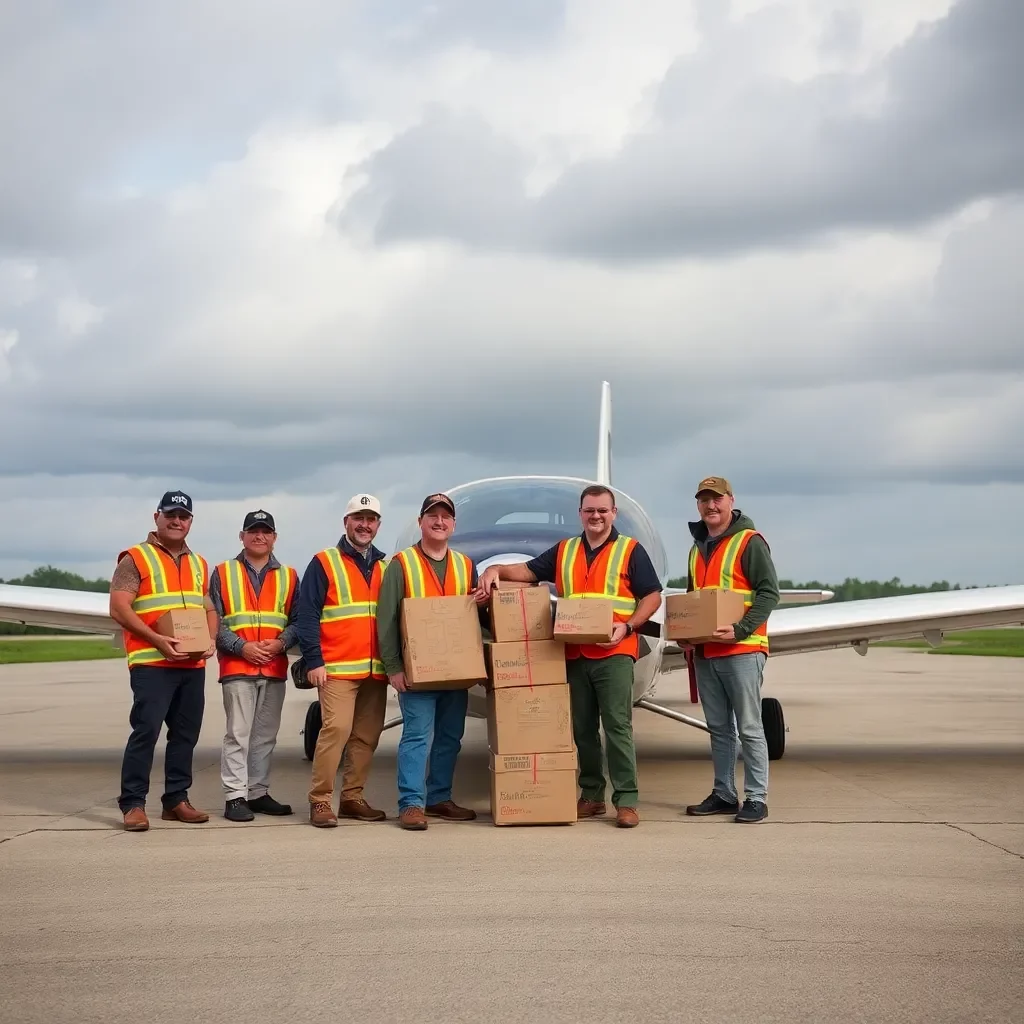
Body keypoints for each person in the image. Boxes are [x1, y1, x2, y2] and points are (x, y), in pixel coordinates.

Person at [478, 484, 663, 828]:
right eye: (589, 510)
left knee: (617, 726)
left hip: (614, 652)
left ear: (613, 514)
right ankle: (591, 796)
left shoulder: (630, 551)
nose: (596, 516)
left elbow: (652, 596)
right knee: (581, 729)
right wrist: (497, 570)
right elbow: (529, 572)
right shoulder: (565, 550)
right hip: (575, 654)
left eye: (602, 510)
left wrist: (629, 627)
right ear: (580, 514)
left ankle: (626, 801)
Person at [376, 492, 489, 831]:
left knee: (450, 738)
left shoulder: (464, 565)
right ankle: (411, 803)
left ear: (453, 525)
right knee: (417, 738)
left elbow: (470, 618)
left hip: (454, 675)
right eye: (433, 516)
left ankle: (439, 797)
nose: (440, 522)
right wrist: (393, 667)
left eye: (446, 517)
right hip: (417, 674)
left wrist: (480, 602)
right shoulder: (401, 564)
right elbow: (386, 618)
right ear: (421, 522)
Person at [108, 490, 218, 832]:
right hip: (152, 664)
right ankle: (133, 804)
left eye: (183, 516)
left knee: (186, 735)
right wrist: (157, 640)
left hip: (191, 665)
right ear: (157, 516)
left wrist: (211, 639)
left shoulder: (198, 562)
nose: (177, 520)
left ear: (190, 522)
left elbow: (209, 606)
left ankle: (175, 800)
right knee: (146, 732)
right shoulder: (135, 558)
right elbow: (118, 607)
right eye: (170, 514)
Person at [682, 476, 780, 824]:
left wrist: (738, 630)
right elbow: (695, 602)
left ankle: (756, 797)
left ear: (730, 501)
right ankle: (724, 793)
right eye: (704, 500)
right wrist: (687, 636)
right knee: (719, 728)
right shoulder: (697, 547)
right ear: (698, 505)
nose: (711, 505)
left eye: (717, 499)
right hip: (707, 652)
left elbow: (769, 594)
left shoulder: (749, 542)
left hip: (742, 650)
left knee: (750, 726)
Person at [295, 494, 391, 828]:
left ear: (378, 525)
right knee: (335, 730)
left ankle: (352, 797)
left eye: (371, 519)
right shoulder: (324, 562)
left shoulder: (384, 566)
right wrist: (313, 661)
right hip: (335, 668)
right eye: (358, 519)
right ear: (346, 523)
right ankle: (320, 801)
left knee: (367, 736)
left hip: (374, 670)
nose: (365, 525)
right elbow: (306, 615)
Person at [210, 510, 299, 822]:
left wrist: (279, 644)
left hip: (273, 668)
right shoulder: (222, 573)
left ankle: (258, 793)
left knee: (265, 736)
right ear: (242, 536)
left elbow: (298, 621)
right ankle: (235, 796)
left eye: (266, 531)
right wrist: (242, 647)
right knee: (237, 733)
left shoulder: (289, 576)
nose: (259, 536)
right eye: (253, 531)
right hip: (238, 667)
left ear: (274, 537)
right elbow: (214, 621)